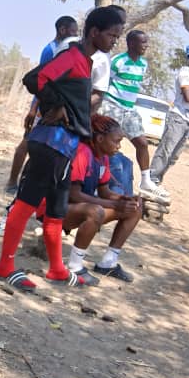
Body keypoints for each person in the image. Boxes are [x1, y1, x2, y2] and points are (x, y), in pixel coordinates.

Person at [0, 5, 125, 291]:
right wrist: (55, 105)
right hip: (51, 143)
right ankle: (5, 266)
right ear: (94, 32)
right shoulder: (72, 56)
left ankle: (56, 269)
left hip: (66, 147)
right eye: (112, 35)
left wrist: (65, 105)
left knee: (56, 210)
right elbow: (34, 79)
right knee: (25, 204)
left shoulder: (86, 62)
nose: (115, 41)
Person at [61, 115, 142, 284]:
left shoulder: (103, 157)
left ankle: (108, 262)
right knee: (95, 211)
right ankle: (75, 267)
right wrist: (113, 204)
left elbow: (104, 191)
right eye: (116, 141)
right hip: (59, 209)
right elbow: (73, 194)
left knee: (136, 206)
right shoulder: (82, 153)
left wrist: (123, 198)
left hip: (78, 208)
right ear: (99, 138)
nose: (119, 146)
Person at [4, 16, 79, 194]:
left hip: (52, 105)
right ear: (62, 30)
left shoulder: (66, 50)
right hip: (42, 106)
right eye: (73, 31)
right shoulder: (51, 50)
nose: (75, 35)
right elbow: (42, 80)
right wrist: (33, 109)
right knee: (27, 142)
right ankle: (12, 182)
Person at [96, 30, 170, 202]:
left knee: (142, 143)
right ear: (131, 44)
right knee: (108, 145)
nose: (146, 46)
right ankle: (100, 178)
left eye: (146, 42)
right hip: (112, 106)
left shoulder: (143, 64)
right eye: (142, 42)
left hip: (129, 110)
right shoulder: (118, 61)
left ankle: (146, 180)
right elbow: (104, 84)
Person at [149, 40, 189, 187]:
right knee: (165, 151)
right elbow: (188, 97)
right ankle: (151, 180)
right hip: (177, 117)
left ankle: (157, 182)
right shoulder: (185, 72)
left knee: (174, 156)